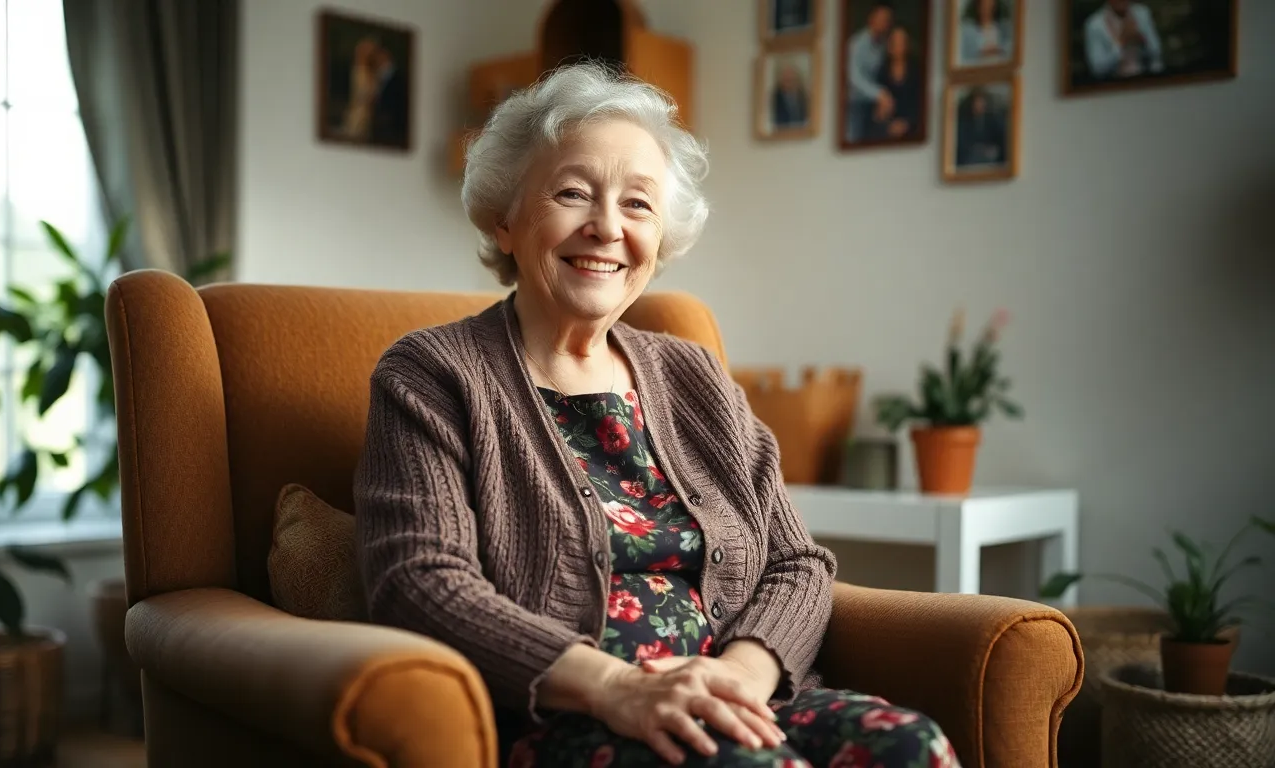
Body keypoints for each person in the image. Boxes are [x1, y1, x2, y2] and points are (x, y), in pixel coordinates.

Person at [354, 62, 961, 768]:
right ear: (506, 218)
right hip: (569, 716)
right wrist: (616, 688)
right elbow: (419, 581)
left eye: (638, 205)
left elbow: (797, 561)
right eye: (573, 192)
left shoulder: (692, 376)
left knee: (915, 747)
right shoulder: (433, 374)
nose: (607, 227)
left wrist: (740, 676)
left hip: (737, 696)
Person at [845, 2, 895, 143]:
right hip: (855, 103)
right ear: (871, 19)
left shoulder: (884, 45)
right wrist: (879, 94)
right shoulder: (856, 43)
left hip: (874, 104)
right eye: (880, 18)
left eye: (887, 20)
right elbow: (853, 76)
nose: (883, 23)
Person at [1083, 0, 1164, 79]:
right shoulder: (1094, 25)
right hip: (1115, 84)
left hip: (1147, 78)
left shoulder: (1142, 13)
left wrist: (1142, 41)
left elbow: (1157, 51)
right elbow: (1098, 68)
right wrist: (1122, 43)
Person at [867, 27, 921, 140]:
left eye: (901, 42)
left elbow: (921, 105)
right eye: (894, 42)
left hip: (913, 124)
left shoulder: (918, 71)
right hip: (887, 127)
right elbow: (875, 110)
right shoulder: (880, 72)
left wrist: (907, 123)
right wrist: (880, 114)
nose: (897, 46)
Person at [955, 86, 1007, 168]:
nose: (978, 105)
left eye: (981, 101)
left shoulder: (994, 120)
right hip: (970, 157)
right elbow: (961, 143)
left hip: (992, 158)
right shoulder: (963, 121)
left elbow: (1001, 140)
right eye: (976, 102)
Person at [958, 0, 1014, 67]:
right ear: (978, 6)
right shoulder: (968, 30)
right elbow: (964, 56)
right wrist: (983, 53)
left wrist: (998, 50)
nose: (986, 8)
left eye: (989, 4)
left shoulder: (1004, 28)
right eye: (983, 4)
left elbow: (1010, 49)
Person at [771, 60, 810, 129]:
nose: (790, 83)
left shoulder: (805, 98)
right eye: (787, 80)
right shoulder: (775, 98)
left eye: (792, 79)